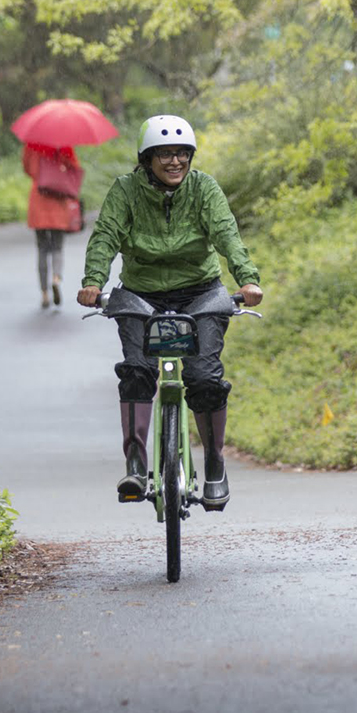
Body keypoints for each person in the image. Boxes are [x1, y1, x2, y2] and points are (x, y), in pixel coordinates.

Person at [77, 114, 263, 510]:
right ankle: (135, 462)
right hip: (141, 294)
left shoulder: (203, 189)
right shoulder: (125, 191)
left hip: (201, 292)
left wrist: (247, 280)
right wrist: (94, 281)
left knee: (204, 377)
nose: (175, 162)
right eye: (164, 154)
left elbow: (227, 234)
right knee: (137, 371)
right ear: (147, 159)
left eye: (182, 154)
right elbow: (106, 234)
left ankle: (214, 463)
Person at [22, 143, 83, 309]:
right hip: (58, 199)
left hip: (38, 199)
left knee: (42, 249)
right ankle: (56, 278)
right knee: (57, 247)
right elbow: (74, 168)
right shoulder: (64, 144)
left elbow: (27, 168)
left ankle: (44, 293)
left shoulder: (31, 145)